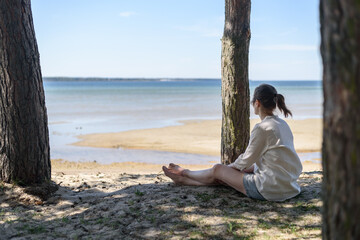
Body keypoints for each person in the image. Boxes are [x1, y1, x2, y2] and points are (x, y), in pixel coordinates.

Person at [162, 84, 303, 202]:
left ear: (257, 103)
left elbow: (245, 161)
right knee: (238, 171)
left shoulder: (262, 128)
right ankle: (185, 181)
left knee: (218, 169)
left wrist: (226, 169)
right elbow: (275, 157)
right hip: (289, 187)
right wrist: (236, 170)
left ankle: (184, 173)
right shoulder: (282, 124)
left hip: (269, 189)